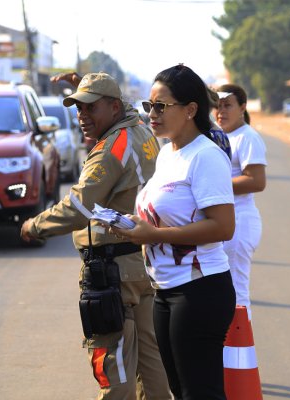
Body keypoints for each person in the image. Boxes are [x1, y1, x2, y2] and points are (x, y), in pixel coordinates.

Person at [21, 72, 171, 400]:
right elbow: (124, 105)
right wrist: (86, 85)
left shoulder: (109, 150)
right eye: (78, 109)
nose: (82, 117)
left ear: (113, 107)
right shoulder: (140, 129)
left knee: (114, 371)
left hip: (113, 273)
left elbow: (77, 207)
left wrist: (34, 226)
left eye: (91, 108)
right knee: (150, 363)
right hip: (144, 265)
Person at [111, 64, 236, 399]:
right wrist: (129, 224)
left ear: (191, 110)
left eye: (161, 106)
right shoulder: (168, 153)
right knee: (180, 390)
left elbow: (223, 227)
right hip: (165, 288)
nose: (152, 114)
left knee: (200, 392)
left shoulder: (206, 156)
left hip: (200, 291)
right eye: (149, 105)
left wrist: (153, 236)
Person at [214, 84, 267, 319]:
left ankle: (241, 355)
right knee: (222, 294)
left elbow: (256, 181)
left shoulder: (247, 137)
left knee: (237, 294)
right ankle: (225, 353)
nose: (221, 111)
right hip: (223, 223)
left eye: (227, 105)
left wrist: (214, 185)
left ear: (242, 107)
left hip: (240, 221)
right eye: (218, 106)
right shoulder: (220, 135)